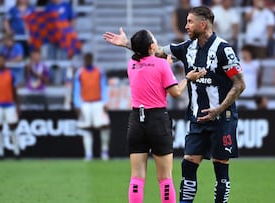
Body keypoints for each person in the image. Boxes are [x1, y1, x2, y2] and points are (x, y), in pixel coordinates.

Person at [103, 6, 246, 203]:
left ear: (202, 24)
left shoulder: (224, 50)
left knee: (220, 167)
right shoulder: (187, 47)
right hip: (197, 119)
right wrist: (128, 43)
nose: (185, 26)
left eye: (190, 22)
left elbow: (240, 84)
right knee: (188, 165)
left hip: (222, 119)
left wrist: (219, 109)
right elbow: (155, 51)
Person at [106, 29, 205, 203]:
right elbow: (175, 92)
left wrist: (128, 44)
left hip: (136, 120)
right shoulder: (161, 65)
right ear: (152, 46)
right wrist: (188, 78)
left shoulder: (131, 64)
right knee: (165, 178)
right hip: (157, 120)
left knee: (137, 177)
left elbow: (145, 60)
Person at [73, 53, 112, 161]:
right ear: (84, 60)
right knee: (86, 128)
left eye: (90, 59)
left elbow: (103, 87)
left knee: (104, 126)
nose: (88, 60)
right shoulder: (79, 73)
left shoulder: (99, 71)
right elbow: (77, 89)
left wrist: (105, 102)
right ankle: (88, 153)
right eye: (86, 59)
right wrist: (77, 104)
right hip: (85, 103)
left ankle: (104, 151)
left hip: (98, 102)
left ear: (92, 59)